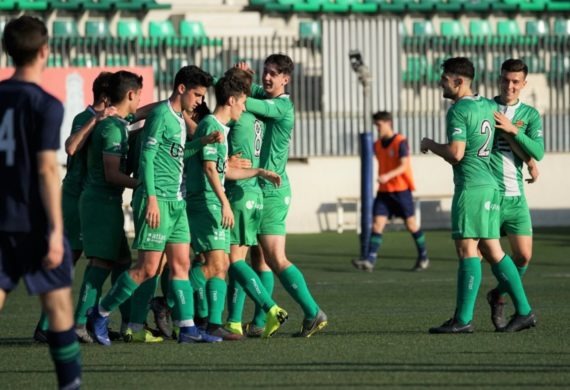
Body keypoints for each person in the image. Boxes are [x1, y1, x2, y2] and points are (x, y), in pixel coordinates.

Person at [86, 65, 224, 345]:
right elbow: (147, 158)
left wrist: (203, 141)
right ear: (181, 89)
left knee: (181, 264)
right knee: (147, 269)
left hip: (175, 202)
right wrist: (150, 198)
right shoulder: (162, 115)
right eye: (197, 95)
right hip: (157, 200)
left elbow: (178, 154)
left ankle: (187, 328)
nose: (200, 101)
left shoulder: (179, 118)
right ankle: (98, 313)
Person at [420, 57, 536, 333]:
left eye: (445, 78)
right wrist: (530, 160)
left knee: (467, 250)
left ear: (458, 82)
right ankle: (522, 312)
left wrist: (430, 144)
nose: (440, 82)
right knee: (493, 251)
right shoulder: (487, 105)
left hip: (471, 187)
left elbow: (457, 154)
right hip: (491, 186)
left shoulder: (458, 111)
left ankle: (464, 320)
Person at [0, 16, 81, 389]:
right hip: (32, 222)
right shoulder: (46, 104)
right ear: (45, 50)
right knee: (60, 309)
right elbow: (48, 169)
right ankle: (69, 385)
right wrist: (56, 231)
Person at [186, 75, 284, 340]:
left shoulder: (220, 127)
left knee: (219, 265)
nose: (245, 107)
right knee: (214, 263)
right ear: (231, 100)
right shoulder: (211, 125)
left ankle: (212, 323)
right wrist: (225, 203)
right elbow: (209, 169)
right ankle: (174, 304)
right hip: (205, 202)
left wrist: (259, 171)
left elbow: (223, 169)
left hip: (212, 201)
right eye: (243, 102)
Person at [241, 54, 328, 337]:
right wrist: (237, 76)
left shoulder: (280, 106)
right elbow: (231, 90)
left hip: (272, 190)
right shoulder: (265, 95)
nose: (267, 77)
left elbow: (238, 100)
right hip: (262, 187)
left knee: (275, 258)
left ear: (285, 80)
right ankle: (258, 322)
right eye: (265, 72)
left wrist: (239, 83)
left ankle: (313, 311)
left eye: (273, 74)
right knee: (259, 258)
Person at [220, 67, 289, 338]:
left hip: (238, 191)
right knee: (250, 260)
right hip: (255, 192)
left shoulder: (235, 115)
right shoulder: (257, 115)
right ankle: (236, 321)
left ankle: (270, 308)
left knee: (230, 260)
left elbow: (208, 136)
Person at [77, 70, 141, 344]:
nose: (140, 99)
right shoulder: (111, 128)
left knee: (123, 263)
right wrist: (143, 184)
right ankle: (80, 324)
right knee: (101, 262)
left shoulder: (118, 122)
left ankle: (128, 323)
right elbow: (112, 174)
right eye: (138, 94)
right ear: (130, 95)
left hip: (107, 202)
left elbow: (138, 115)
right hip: (100, 202)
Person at [486, 58, 544, 330]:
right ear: (499, 78)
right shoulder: (486, 107)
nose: (509, 86)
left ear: (524, 84)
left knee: (523, 257)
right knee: (480, 254)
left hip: (516, 195)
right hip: (489, 195)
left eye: (515, 82)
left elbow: (539, 152)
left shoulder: (530, 115)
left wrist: (512, 131)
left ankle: (498, 295)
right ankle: (461, 317)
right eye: (505, 80)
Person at [352, 111, 429, 272]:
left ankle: (423, 256)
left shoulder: (400, 141)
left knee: (411, 225)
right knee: (377, 224)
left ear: (389, 123)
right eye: (375, 125)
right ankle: (370, 260)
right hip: (384, 192)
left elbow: (403, 165)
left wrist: (387, 175)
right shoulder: (377, 144)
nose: (377, 128)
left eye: (379, 125)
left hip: (401, 190)